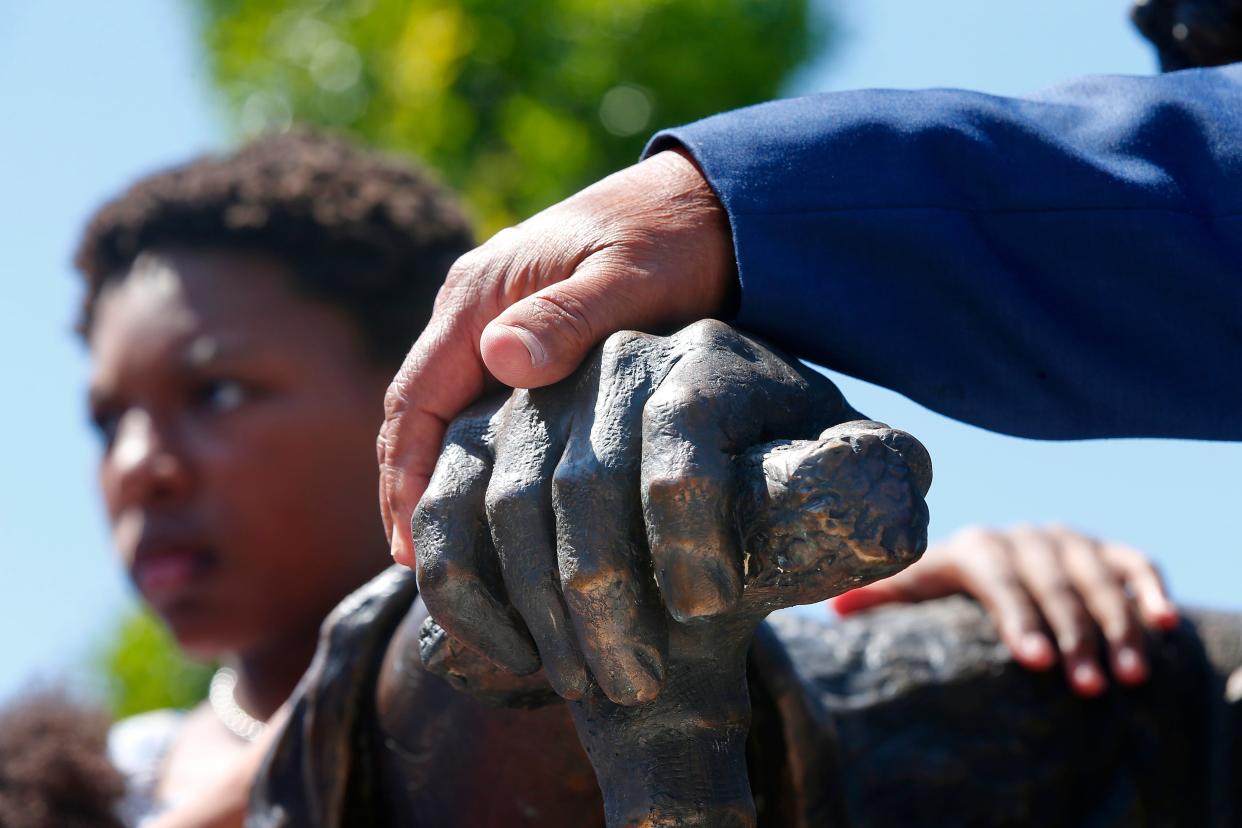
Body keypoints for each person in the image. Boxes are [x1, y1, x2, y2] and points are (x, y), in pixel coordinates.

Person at [75, 129, 473, 825]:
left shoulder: (602, 718)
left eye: (216, 394)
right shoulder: (99, 790)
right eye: (109, 424)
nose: (138, 468)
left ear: (423, 389)